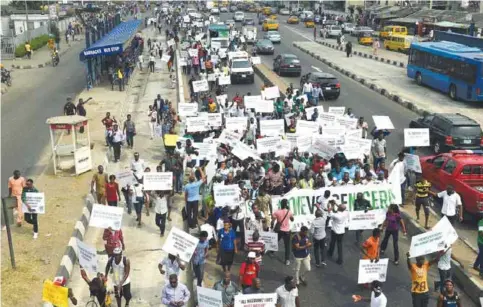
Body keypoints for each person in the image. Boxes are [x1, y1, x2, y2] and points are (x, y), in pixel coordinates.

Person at [272, 199, 294, 266]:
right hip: (287, 231)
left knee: (275, 241)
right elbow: (292, 220)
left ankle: (271, 251)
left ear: (281, 204)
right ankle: (287, 260)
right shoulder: (289, 212)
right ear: (286, 204)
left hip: (279, 230)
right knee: (287, 246)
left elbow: (273, 219)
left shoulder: (277, 212)